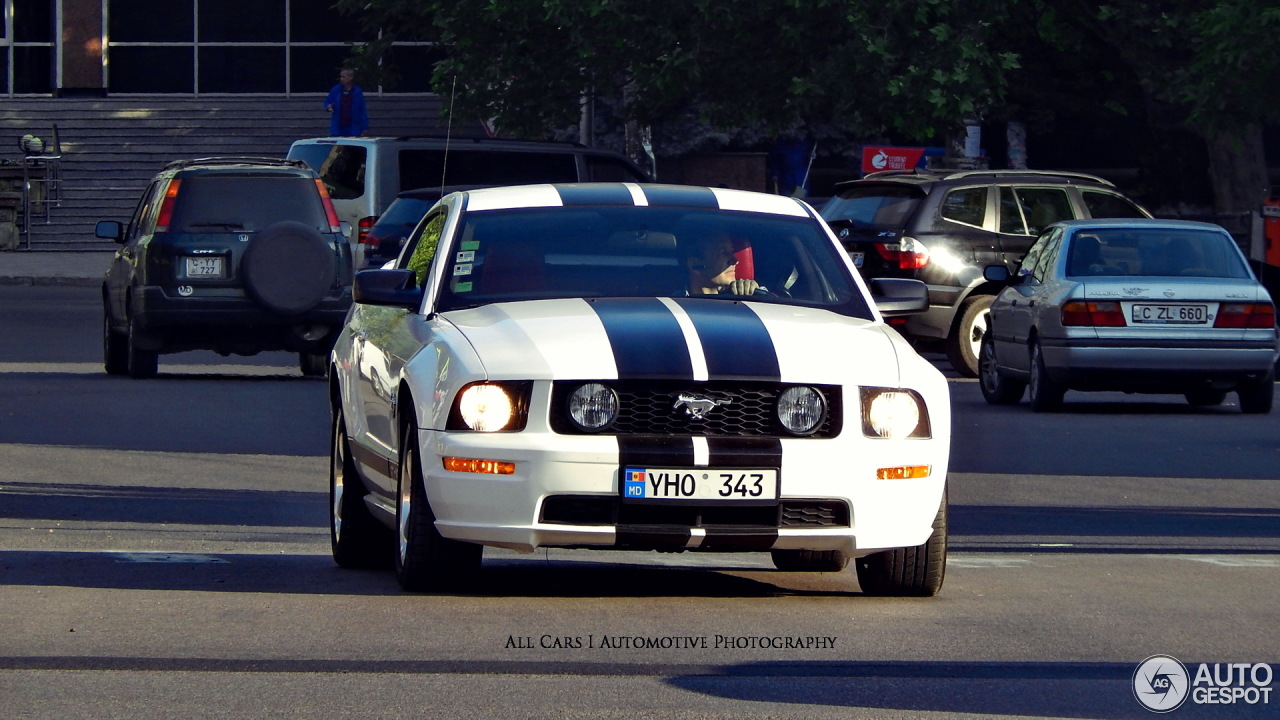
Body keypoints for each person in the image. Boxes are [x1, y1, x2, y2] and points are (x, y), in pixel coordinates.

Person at [683, 233, 763, 296]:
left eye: (731, 251)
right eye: (723, 252)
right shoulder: (672, 305)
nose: (735, 261)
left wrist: (756, 293)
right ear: (694, 264)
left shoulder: (742, 302)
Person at [323, 69, 369, 137]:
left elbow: (362, 110)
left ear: (350, 78)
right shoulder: (336, 89)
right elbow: (327, 102)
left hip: (353, 128)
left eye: (344, 77)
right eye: (341, 77)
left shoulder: (357, 91)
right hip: (338, 127)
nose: (341, 79)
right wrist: (328, 106)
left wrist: (365, 127)